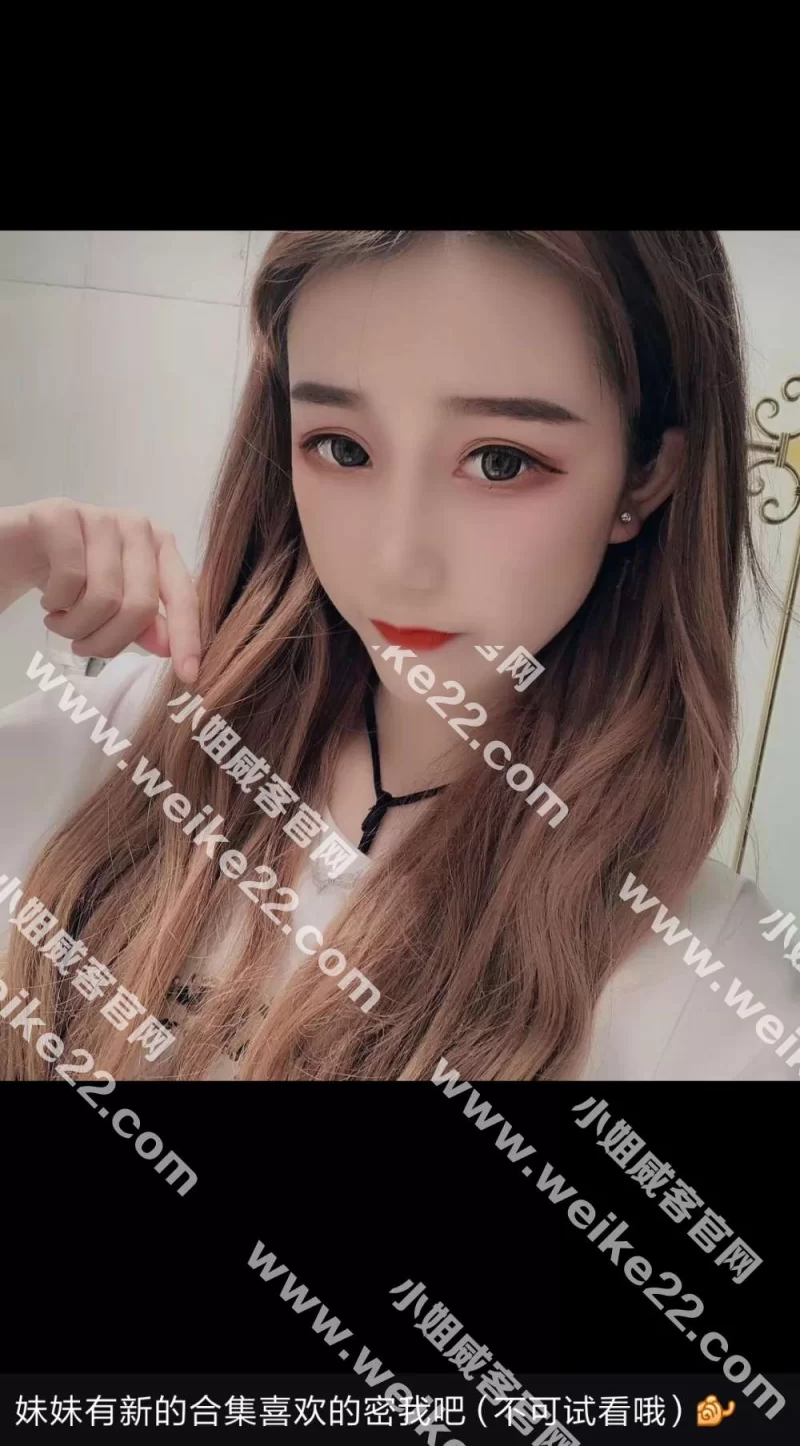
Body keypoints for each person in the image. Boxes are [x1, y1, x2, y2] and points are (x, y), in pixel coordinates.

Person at [1, 229, 798, 1082]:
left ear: (644, 477)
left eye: (500, 461)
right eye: (342, 447)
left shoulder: (710, 991)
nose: (396, 560)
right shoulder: (129, 732)